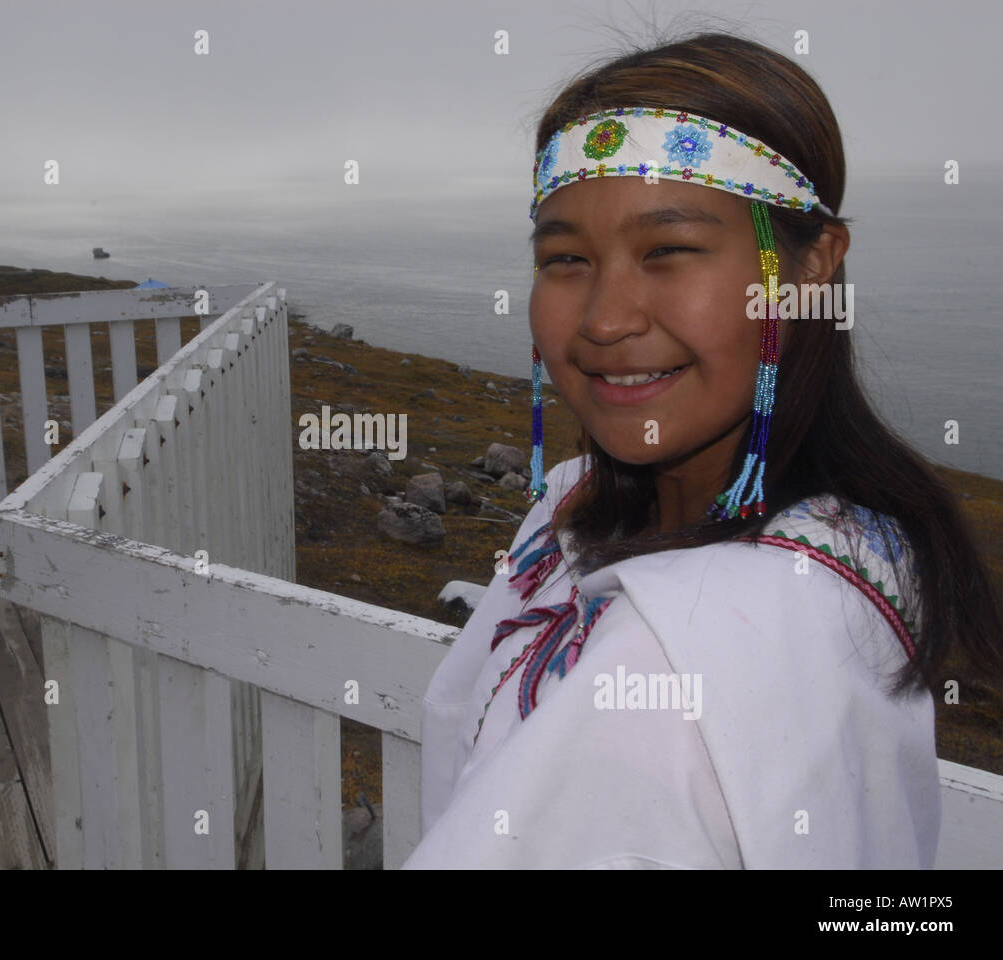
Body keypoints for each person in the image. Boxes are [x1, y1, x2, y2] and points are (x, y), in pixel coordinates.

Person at [402, 31, 1003, 869]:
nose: (606, 318)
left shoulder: (692, 647)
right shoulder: (586, 503)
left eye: (670, 251)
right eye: (566, 258)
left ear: (812, 267)